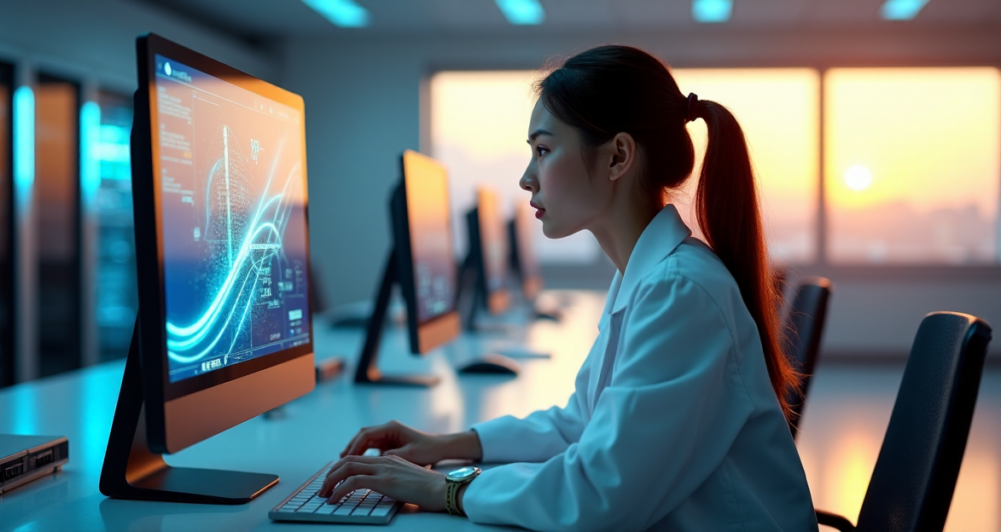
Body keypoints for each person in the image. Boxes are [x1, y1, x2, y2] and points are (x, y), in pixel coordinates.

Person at [318, 45, 818, 531]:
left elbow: (598, 495)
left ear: (618, 156)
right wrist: (445, 443)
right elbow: (579, 425)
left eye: (543, 150)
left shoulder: (680, 292)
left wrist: (443, 489)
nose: (526, 178)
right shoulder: (648, 276)